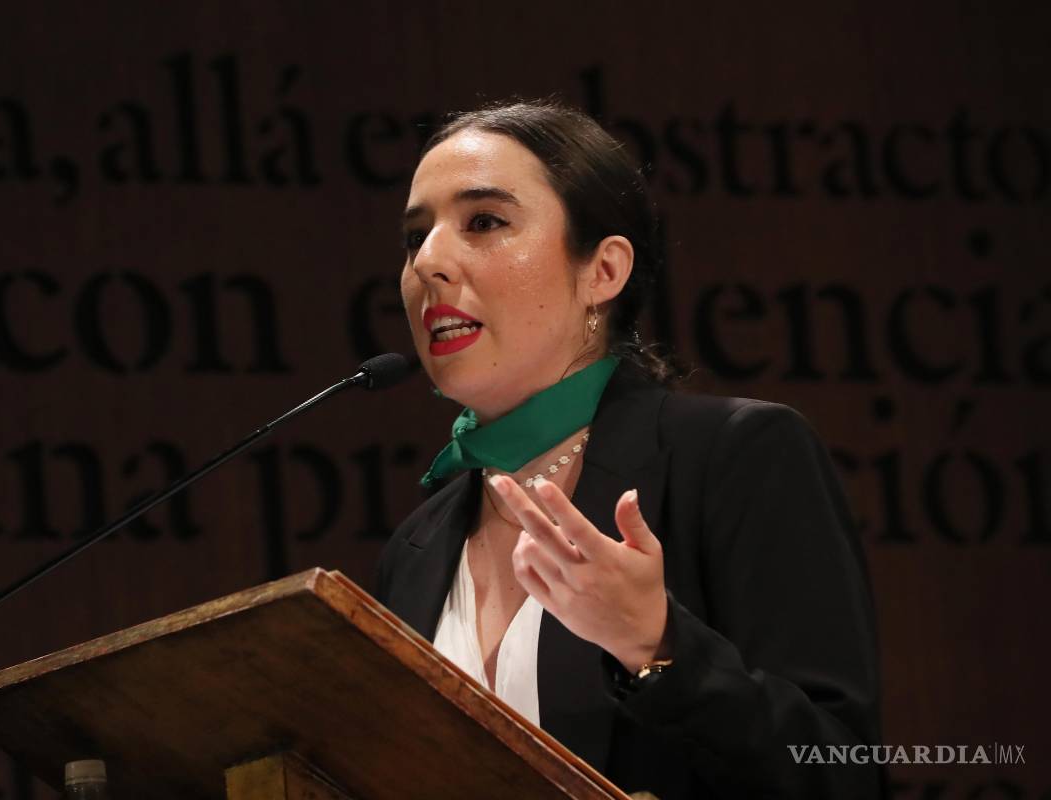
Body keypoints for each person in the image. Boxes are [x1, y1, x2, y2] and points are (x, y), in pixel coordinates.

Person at [372, 100, 883, 799]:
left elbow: (843, 775)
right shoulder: (415, 549)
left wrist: (659, 646)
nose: (428, 262)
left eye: (484, 222)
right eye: (414, 237)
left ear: (603, 272)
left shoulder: (736, 455)